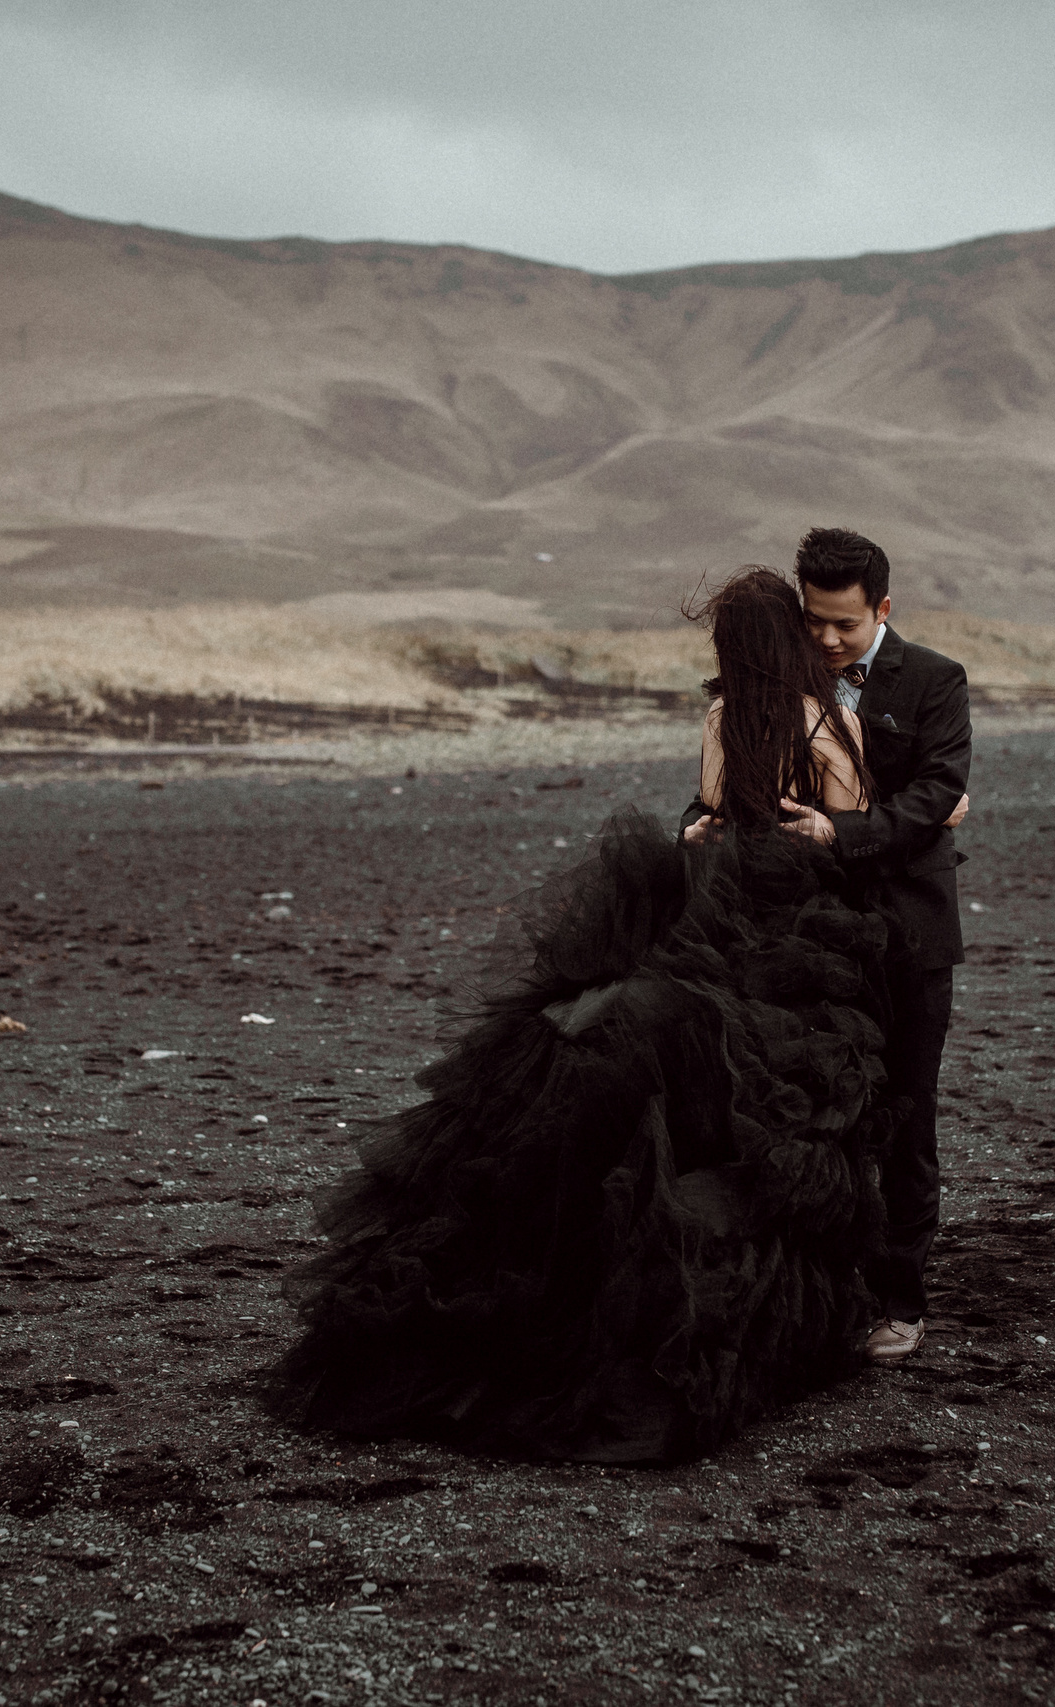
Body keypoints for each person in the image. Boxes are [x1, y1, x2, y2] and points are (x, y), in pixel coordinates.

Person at [267, 568, 899, 1463]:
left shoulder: (724, 721)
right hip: (802, 935)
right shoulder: (830, 724)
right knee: (793, 1122)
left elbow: (711, 818)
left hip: (719, 919)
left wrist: (713, 841)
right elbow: (855, 832)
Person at [684, 527, 970, 1365]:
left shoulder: (935, 682)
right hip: (805, 942)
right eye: (815, 622)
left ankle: (901, 1302)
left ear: (882, 608)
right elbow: (726, 786)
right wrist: (697, 826)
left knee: (906, 1118)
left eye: (846, 624)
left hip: (908, 937)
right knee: (813, 1121)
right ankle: (820, 1296)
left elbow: (934, 795)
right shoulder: (776, 687)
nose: (830, 639)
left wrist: (839, 831)